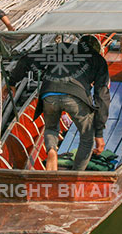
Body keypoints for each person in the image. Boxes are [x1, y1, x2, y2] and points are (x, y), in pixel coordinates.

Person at [6, 35, 110, 171]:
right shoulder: (98, 60)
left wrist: (12, 82)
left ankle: (51, 151)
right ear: (97, 49)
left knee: (51, 128)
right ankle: (76, 174)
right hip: (76, 97)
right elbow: (102, 96)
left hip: (49, 94)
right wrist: (99, 133)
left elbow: (26, 60)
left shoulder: (61, 49)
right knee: (87, 137)